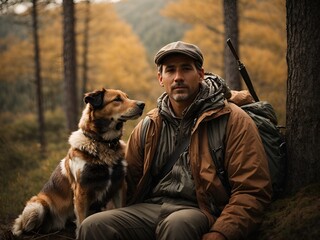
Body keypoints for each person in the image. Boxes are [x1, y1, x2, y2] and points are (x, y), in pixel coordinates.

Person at [78, 41, 272, 240]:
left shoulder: (233, 120)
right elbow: (127, 183)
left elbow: (251, 189)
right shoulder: (149, 126)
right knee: (94, 225)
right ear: (161, 78)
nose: (178, 77)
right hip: (150, 208)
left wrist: (222, 232)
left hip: (201, 210)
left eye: (186, 69)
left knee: (177, 224)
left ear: (200, 74)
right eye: (170, 70)